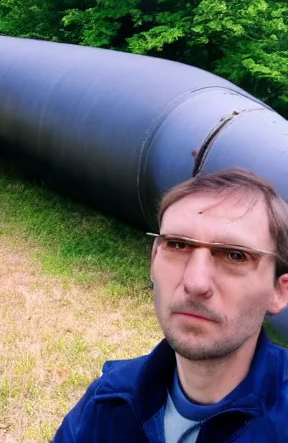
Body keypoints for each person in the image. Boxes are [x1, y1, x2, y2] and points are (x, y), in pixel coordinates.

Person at [53, 168, 288, 442]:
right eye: (177, 244)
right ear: (153, 261)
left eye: (235, 255)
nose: (195, 283)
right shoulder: (108, 401)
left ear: (279, 292)